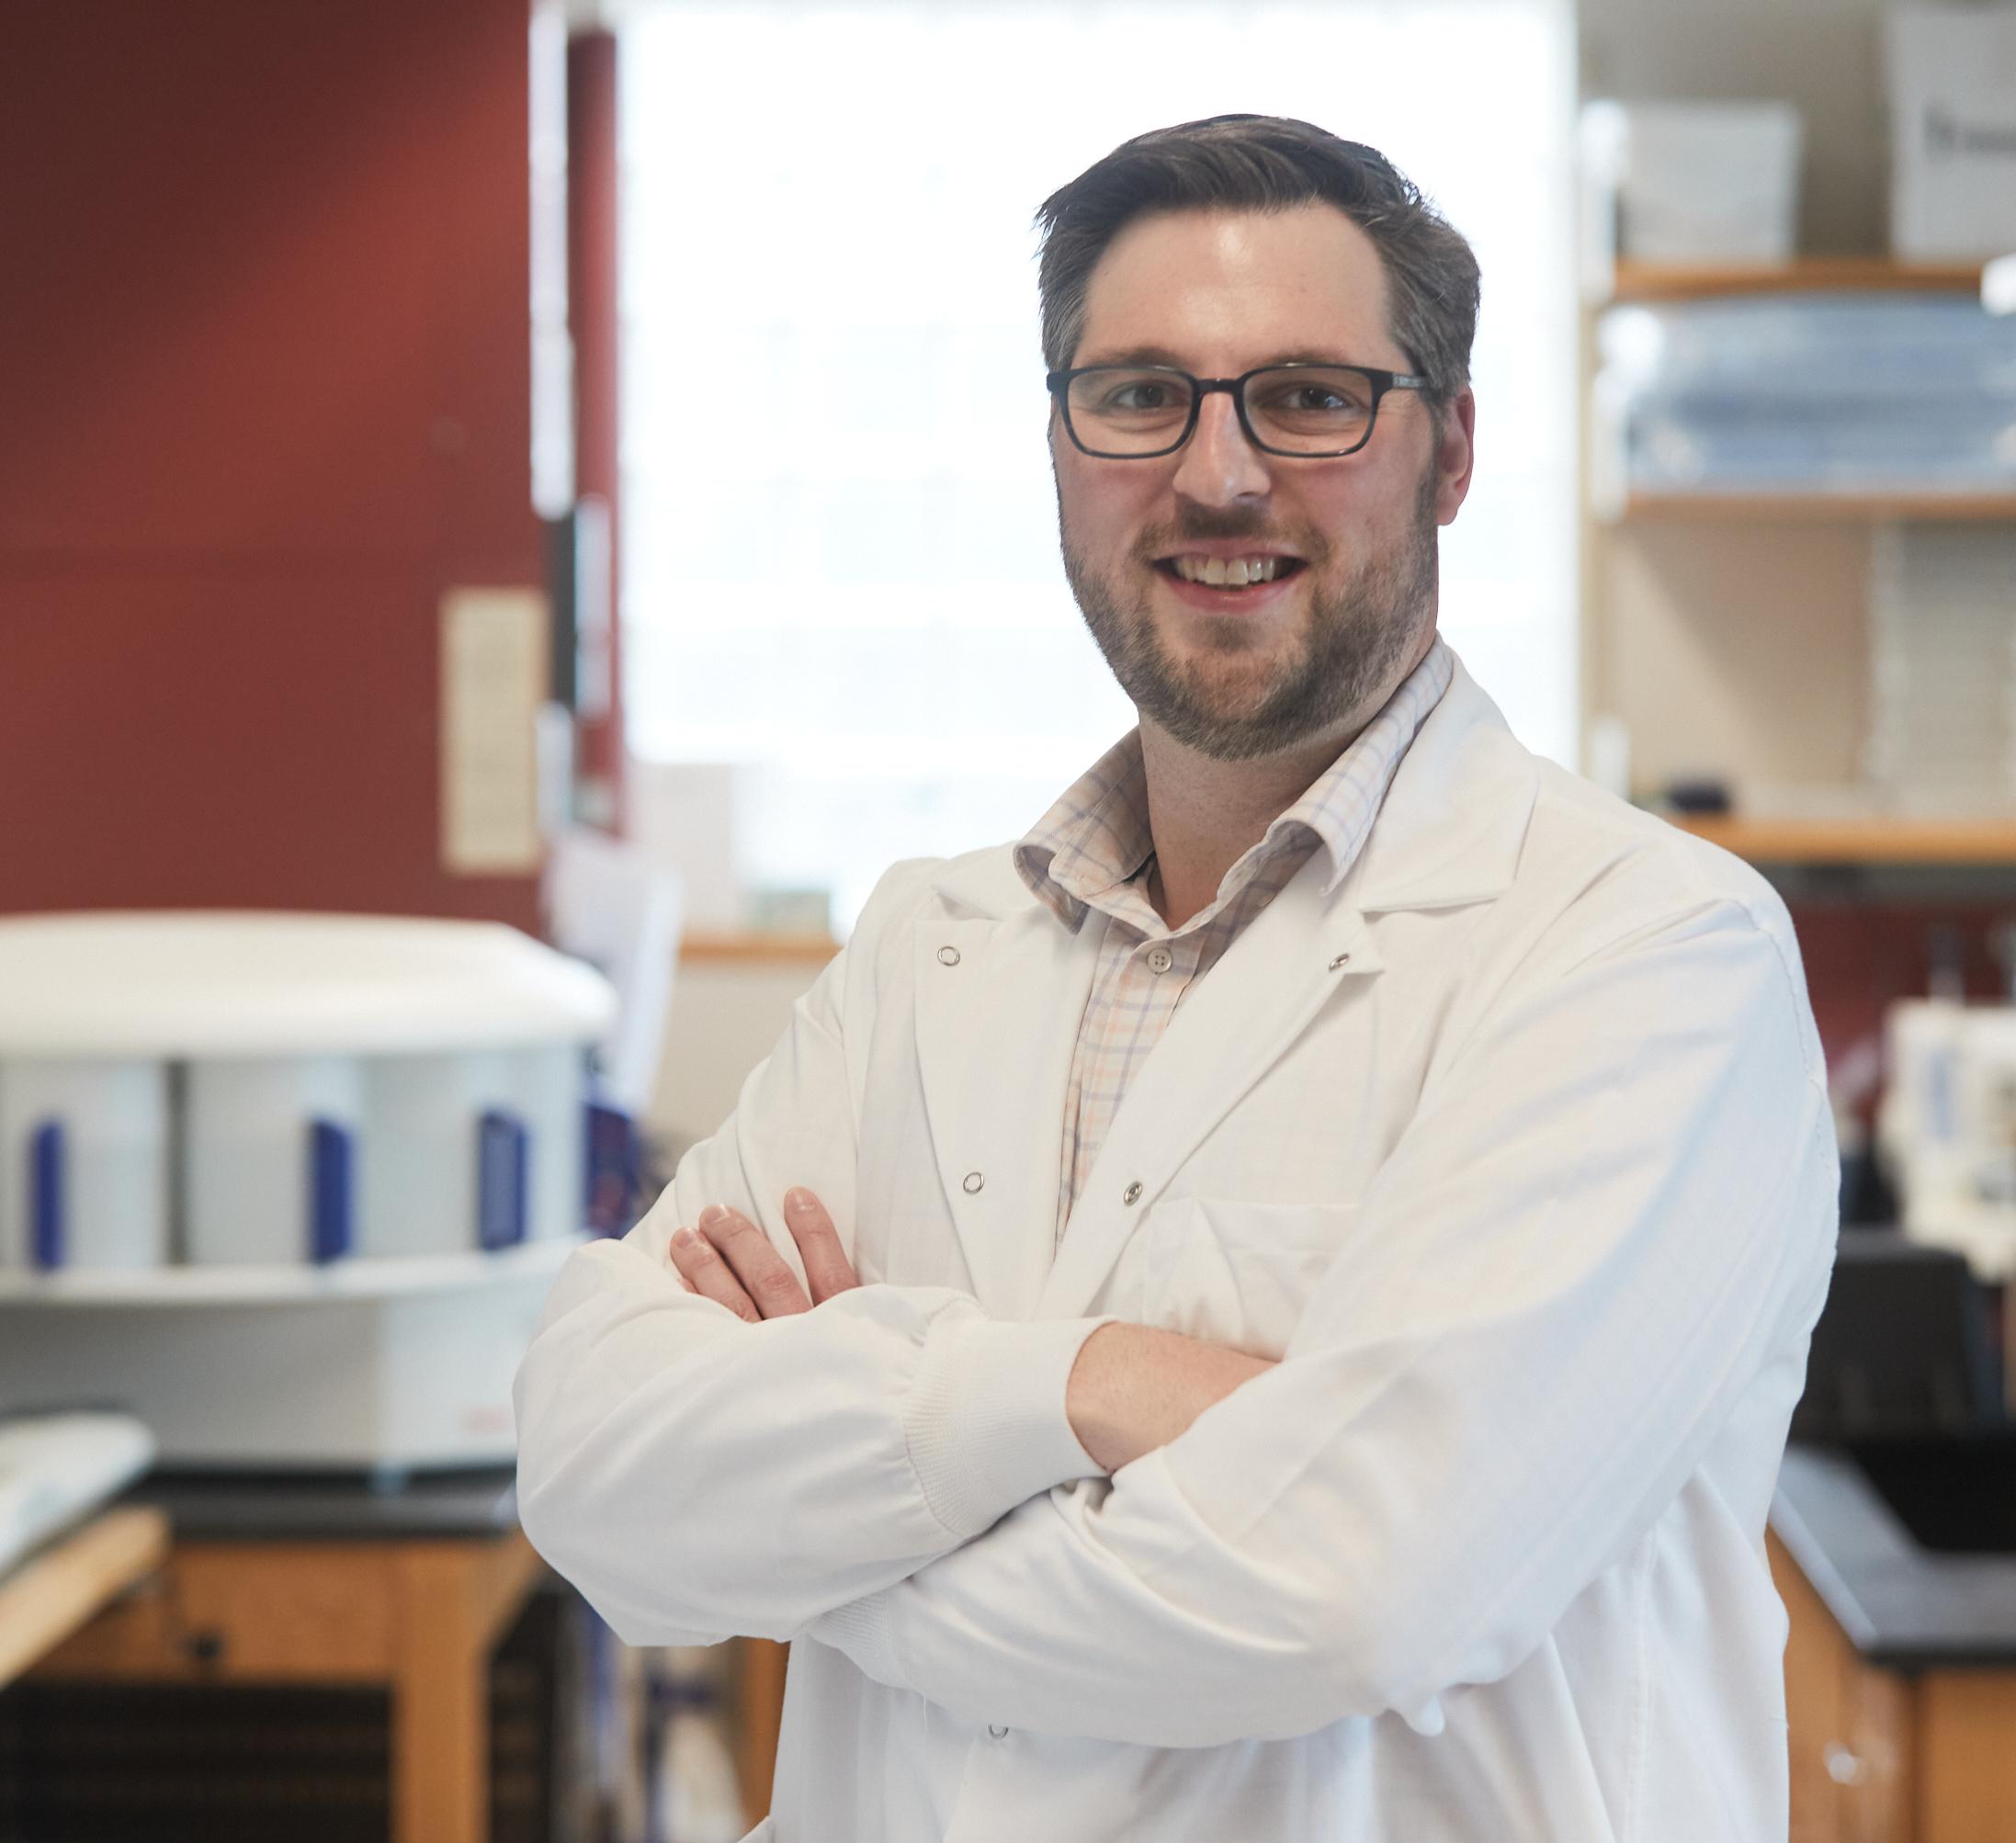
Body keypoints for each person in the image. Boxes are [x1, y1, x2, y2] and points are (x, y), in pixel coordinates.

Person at [515, 114, 1838, 1842]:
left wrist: (820, 1536)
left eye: (1306, 396)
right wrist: (1086, 1389)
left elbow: (1362, 1583)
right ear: (1061, 445)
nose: (1216, 474)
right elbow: (591, 1464)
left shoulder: (1646, 954)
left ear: (1446, 454)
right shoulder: (928, 949)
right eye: (1138, 394)